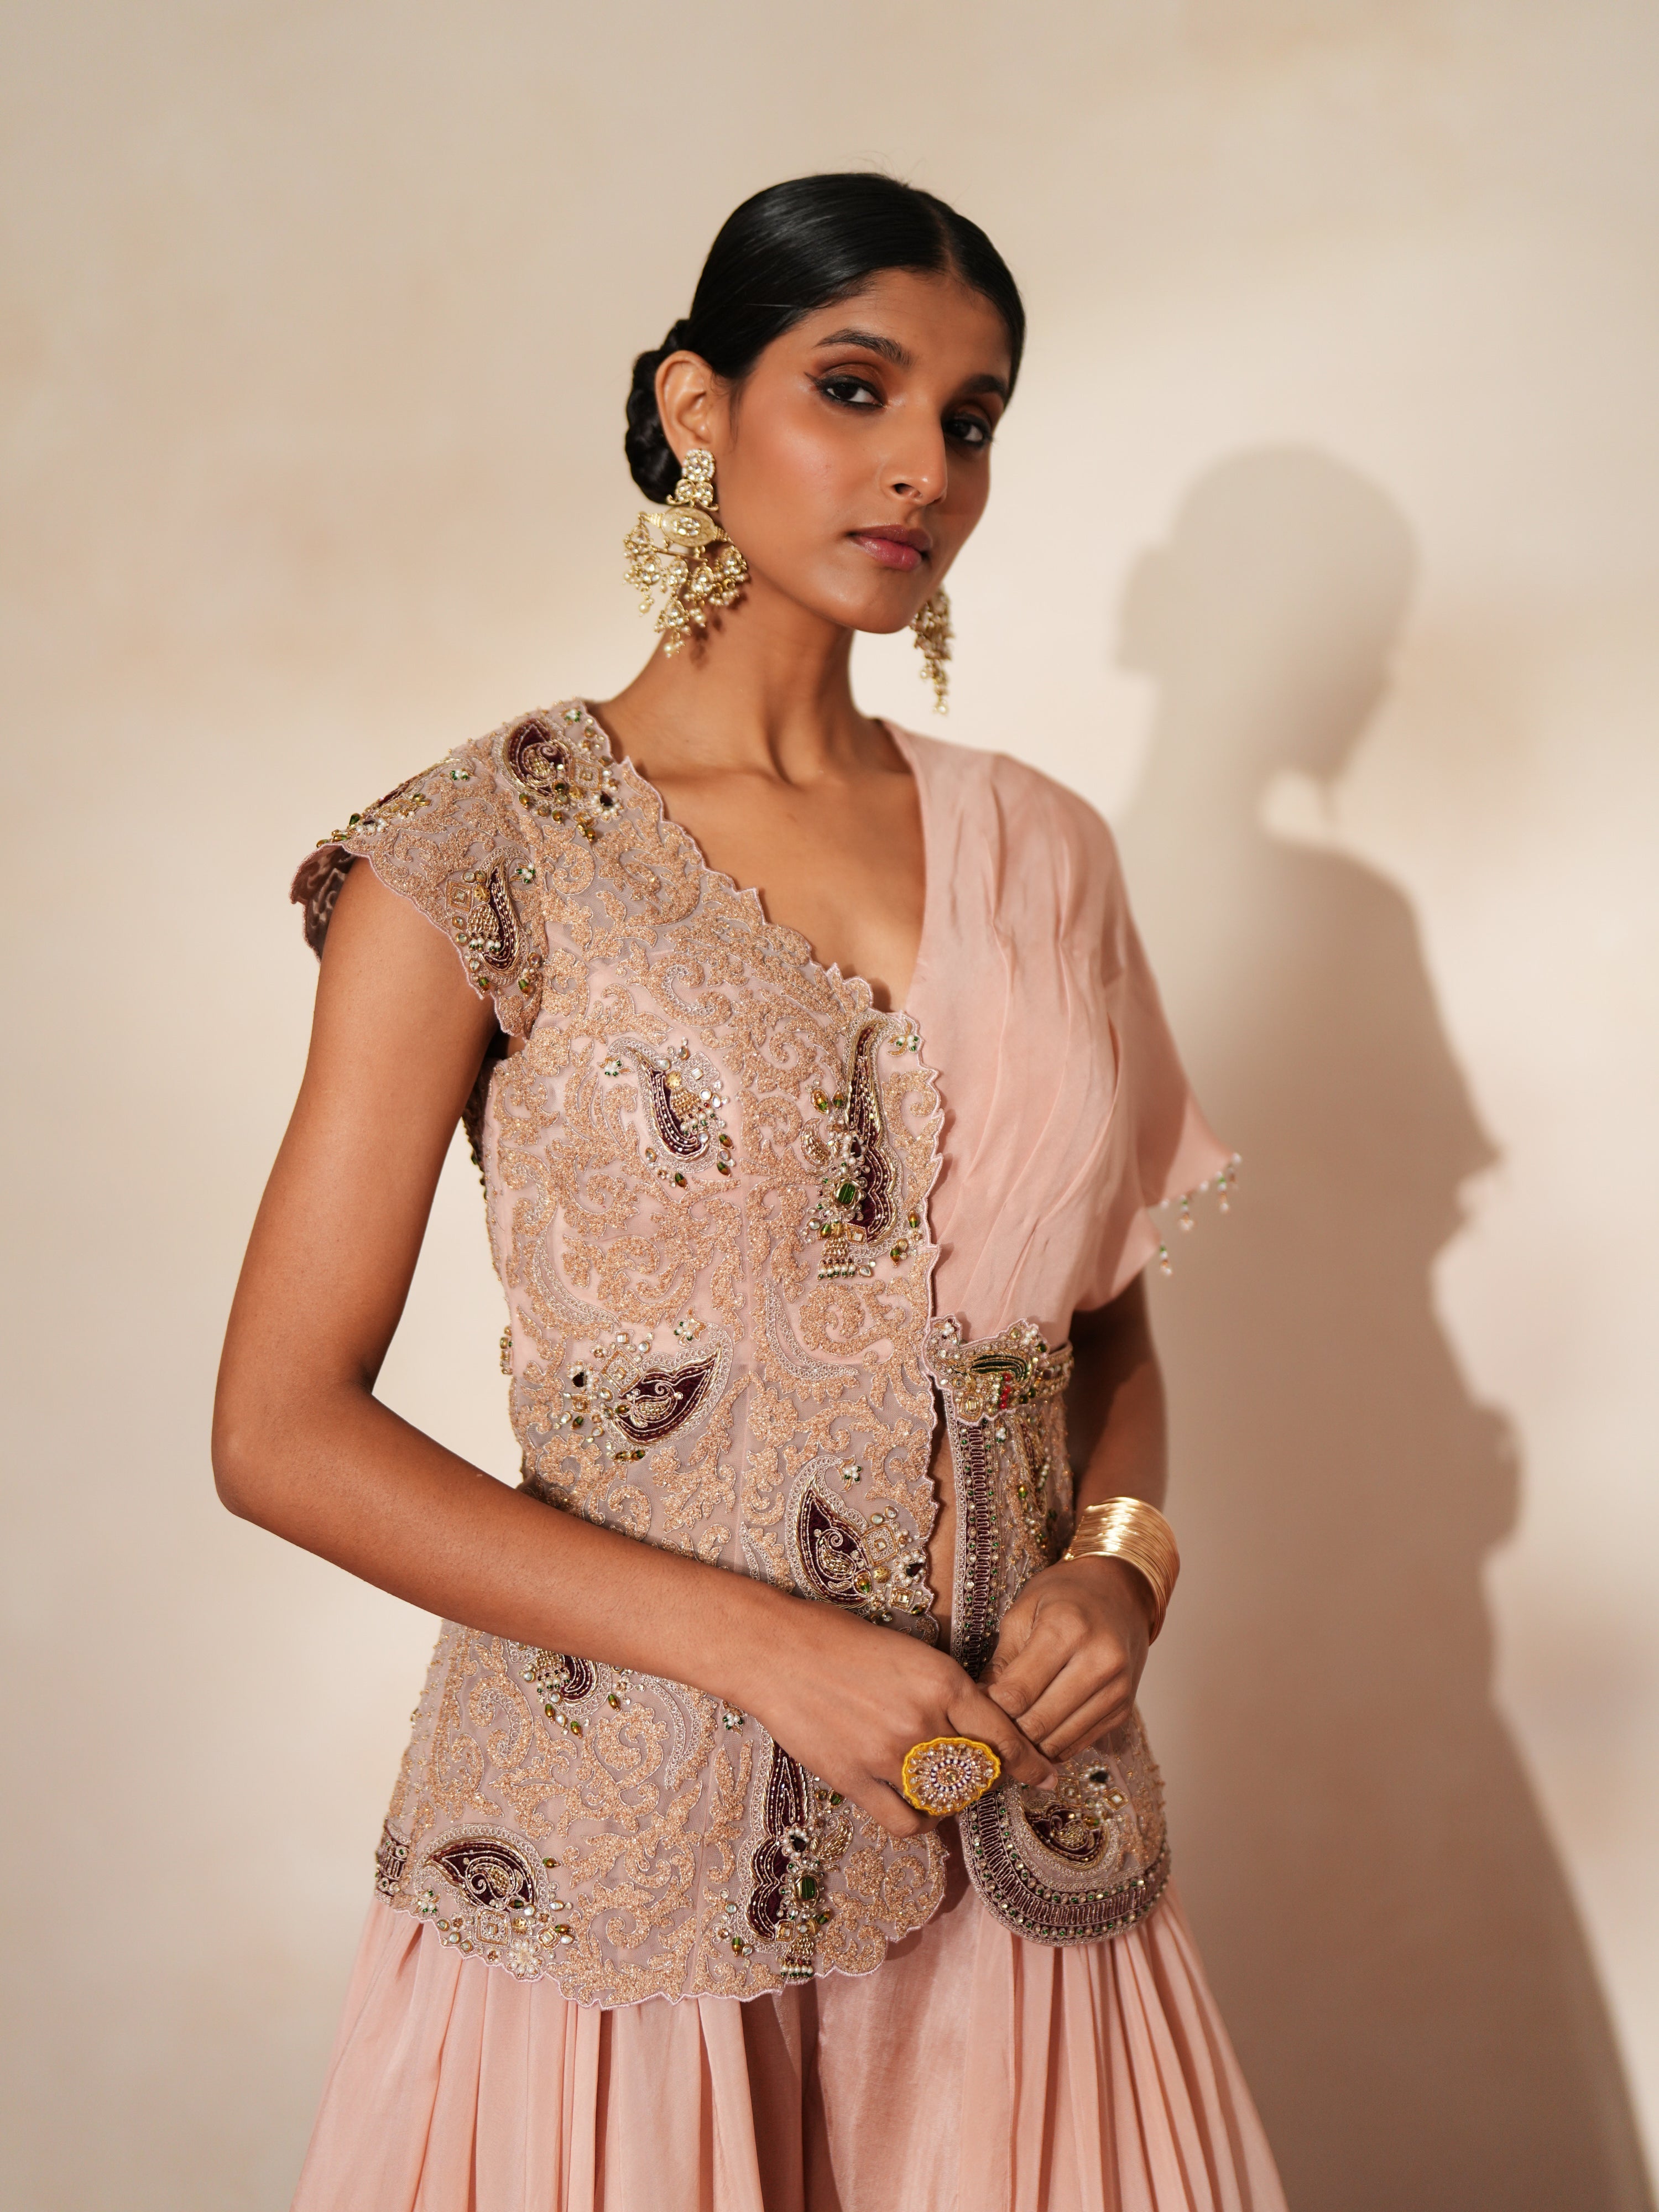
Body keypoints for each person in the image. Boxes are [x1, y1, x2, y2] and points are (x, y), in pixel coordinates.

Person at [215, 170, 1286, 2212]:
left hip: (1018, 1839)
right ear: (696, 405)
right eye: (855, 389)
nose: (924, 468)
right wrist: (768, 1653)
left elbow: (1101, 1331)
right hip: (621, 1872)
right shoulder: (480, 854)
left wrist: (1121, 1564)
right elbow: (279, 1430)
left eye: (971, 419)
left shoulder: (1047, 851)